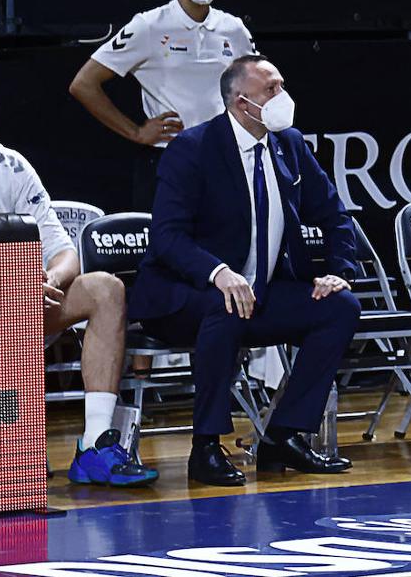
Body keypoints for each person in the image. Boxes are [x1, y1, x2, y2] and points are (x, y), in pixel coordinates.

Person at [129, 54, 360, 486]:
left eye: (281, 85)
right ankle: (206, 447)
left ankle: (284, 435)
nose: (282, 97)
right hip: (183, 296)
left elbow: (334, 214)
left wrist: (338, 270)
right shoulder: (194, 149)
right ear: (241, 103)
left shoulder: (287, 144)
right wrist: (217, 271)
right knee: (225, 306)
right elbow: (167, 236)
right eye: (271, 89)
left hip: (259, 294)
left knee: (339, 306)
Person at [0, 81, 158, 487]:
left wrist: (44, 280)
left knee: (105, 289)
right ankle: (4, 447)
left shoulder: (10, 167)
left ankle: (96, 444)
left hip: (15, 309)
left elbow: (66, 252)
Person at [69, 0, 255, 211]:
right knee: (168, 252)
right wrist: (135, 132)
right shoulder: (149, 25)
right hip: (169, 162)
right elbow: (83, 83)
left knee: (225, 251)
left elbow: (258, 88)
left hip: (223, 161)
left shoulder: (234, 29)